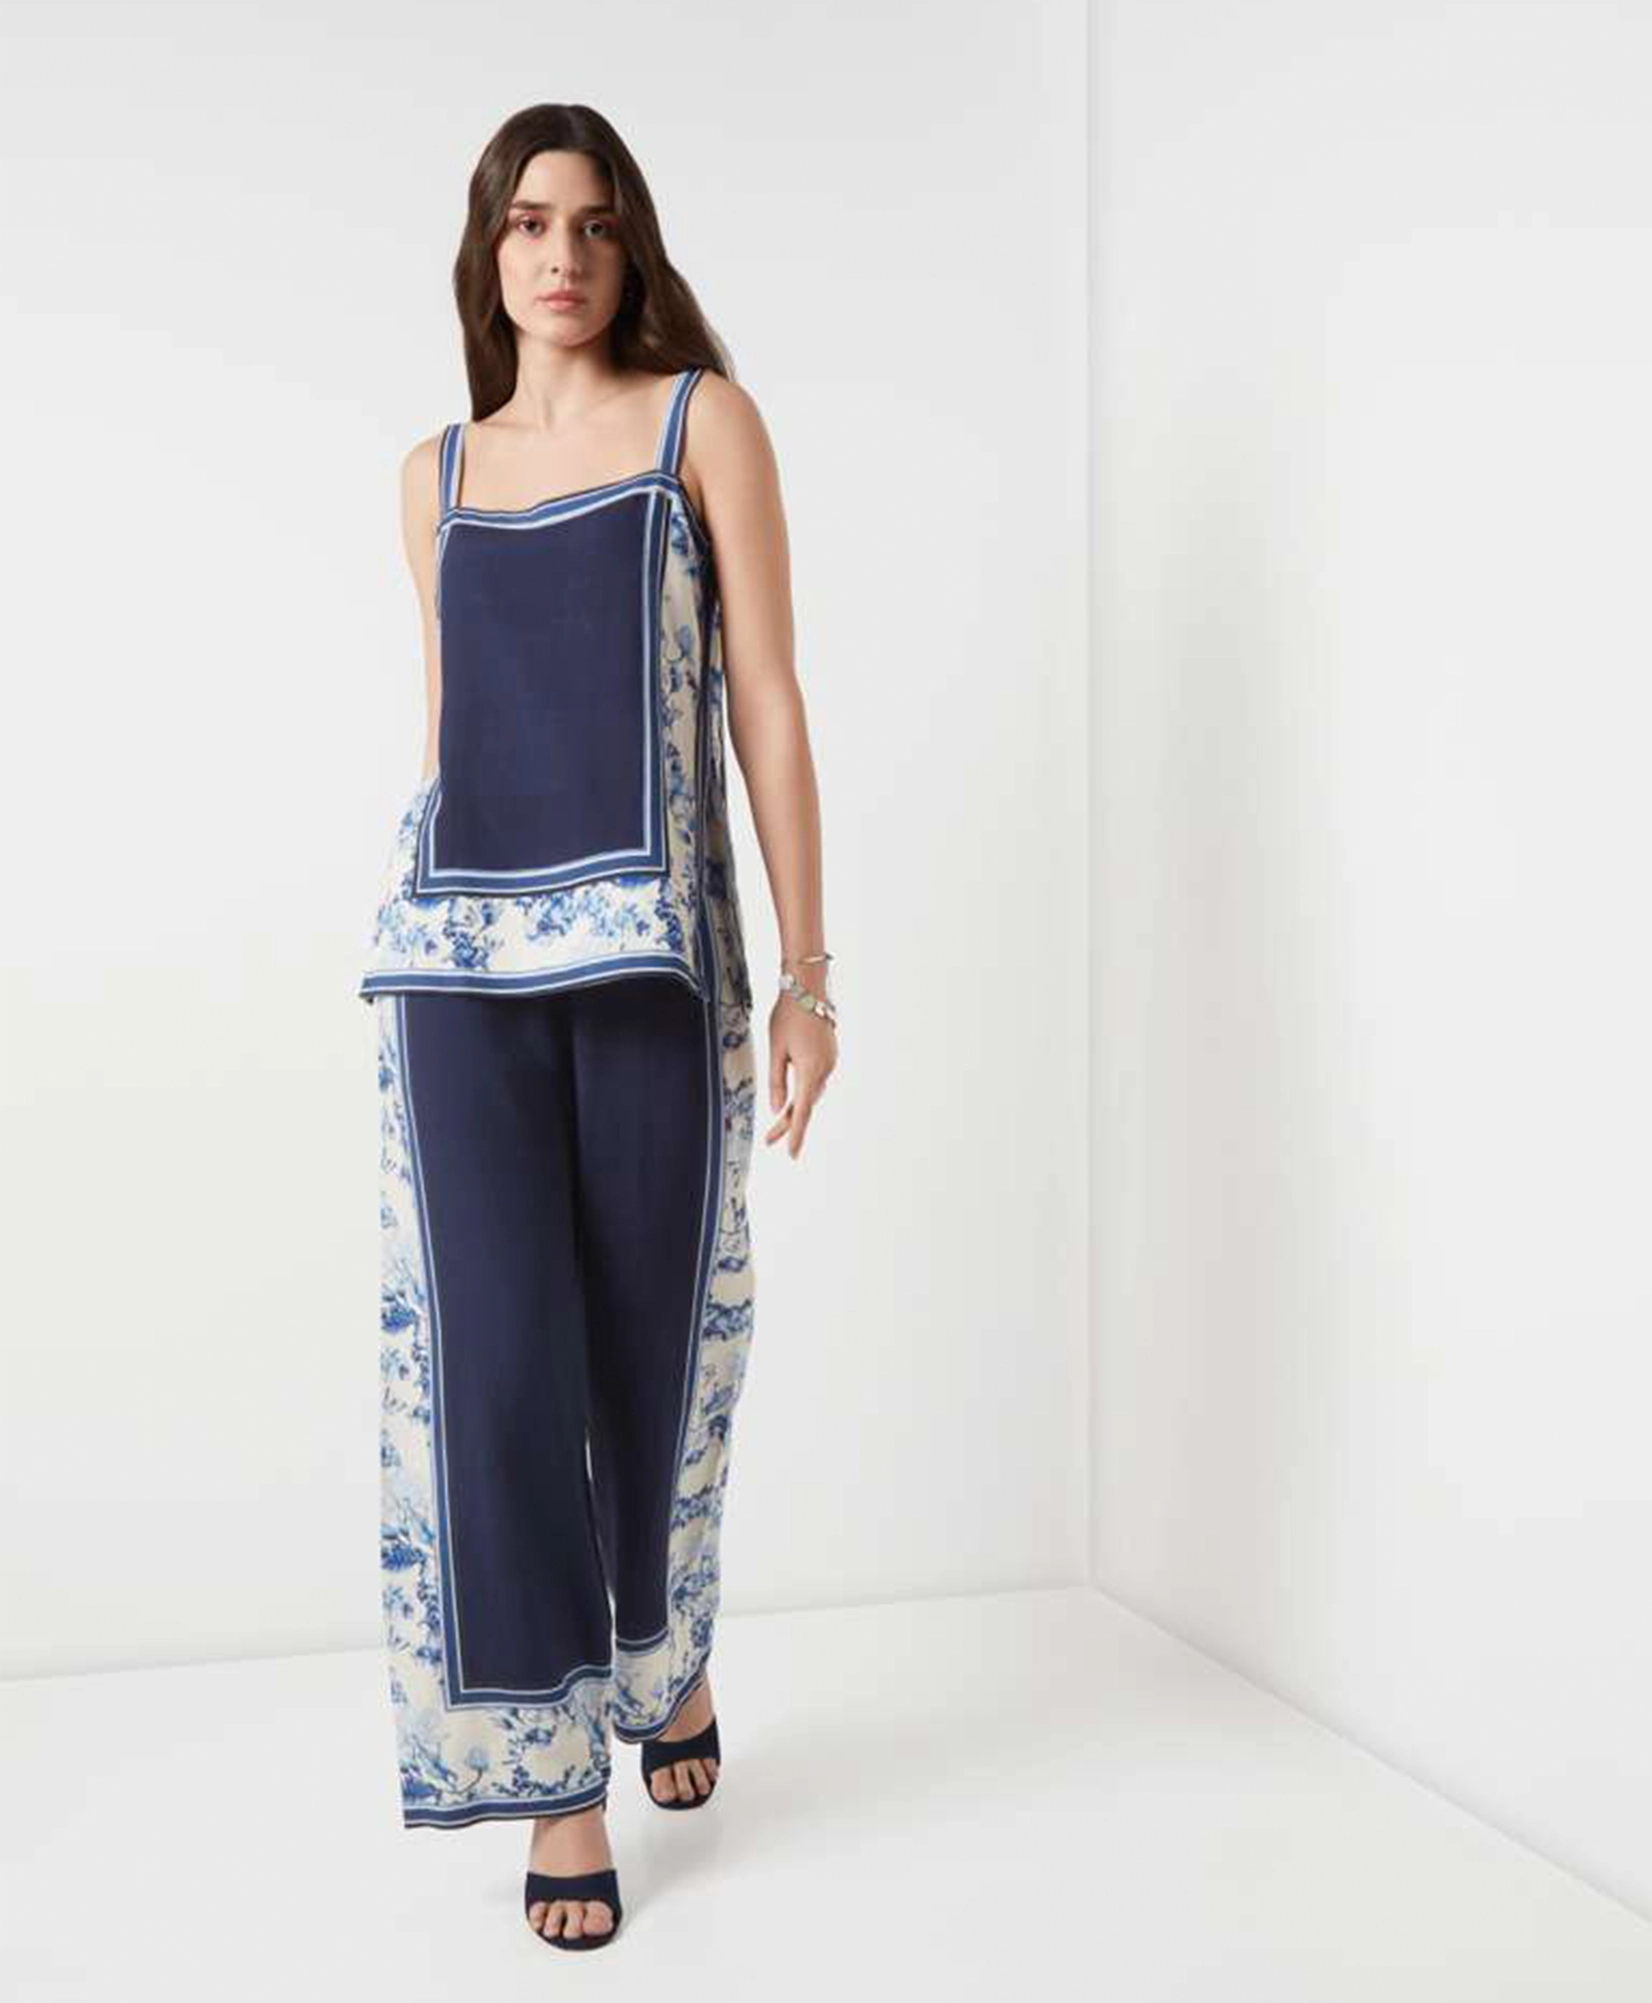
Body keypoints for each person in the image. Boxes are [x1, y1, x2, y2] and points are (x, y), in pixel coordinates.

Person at [356, 102, 836, 1952]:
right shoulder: (436, 477)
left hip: (654, 970)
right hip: (459, 979)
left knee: (653, 1346)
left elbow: (766, 696)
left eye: (594, 222)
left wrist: (807, 973)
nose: (560, 255)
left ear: (632, 248)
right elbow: (449, 730)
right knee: (497, 1371)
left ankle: (668, 1654)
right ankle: (562, 1779)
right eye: (528, 221)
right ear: (488, 248)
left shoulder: (703, 425)